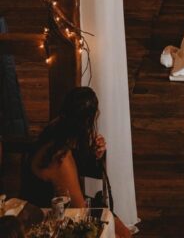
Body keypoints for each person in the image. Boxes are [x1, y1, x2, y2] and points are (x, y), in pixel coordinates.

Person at [21, 86, 132, 238]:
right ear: (88, 122)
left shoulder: (57, 128)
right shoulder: (60, 158)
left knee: (122, 230)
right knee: (121, 234)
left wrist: (95, 154)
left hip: (62, 209)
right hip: (48, 221)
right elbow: (80, 209)